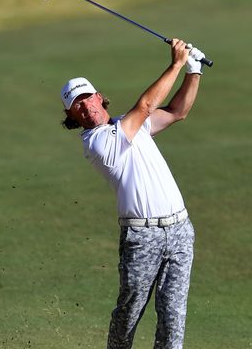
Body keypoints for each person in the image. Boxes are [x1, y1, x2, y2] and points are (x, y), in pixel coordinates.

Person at [60, 39, 205, 349]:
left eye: (87, 99)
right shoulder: (97, 143)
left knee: (173, 316)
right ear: (72, 117)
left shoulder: (127, 126)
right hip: (142, 238)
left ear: (99, 98)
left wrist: (193, 71)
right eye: (77, 106)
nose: (85, 107)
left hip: (180, 230)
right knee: (130, 311)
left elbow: (178, 111)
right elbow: (145, 106)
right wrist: (177, 63)